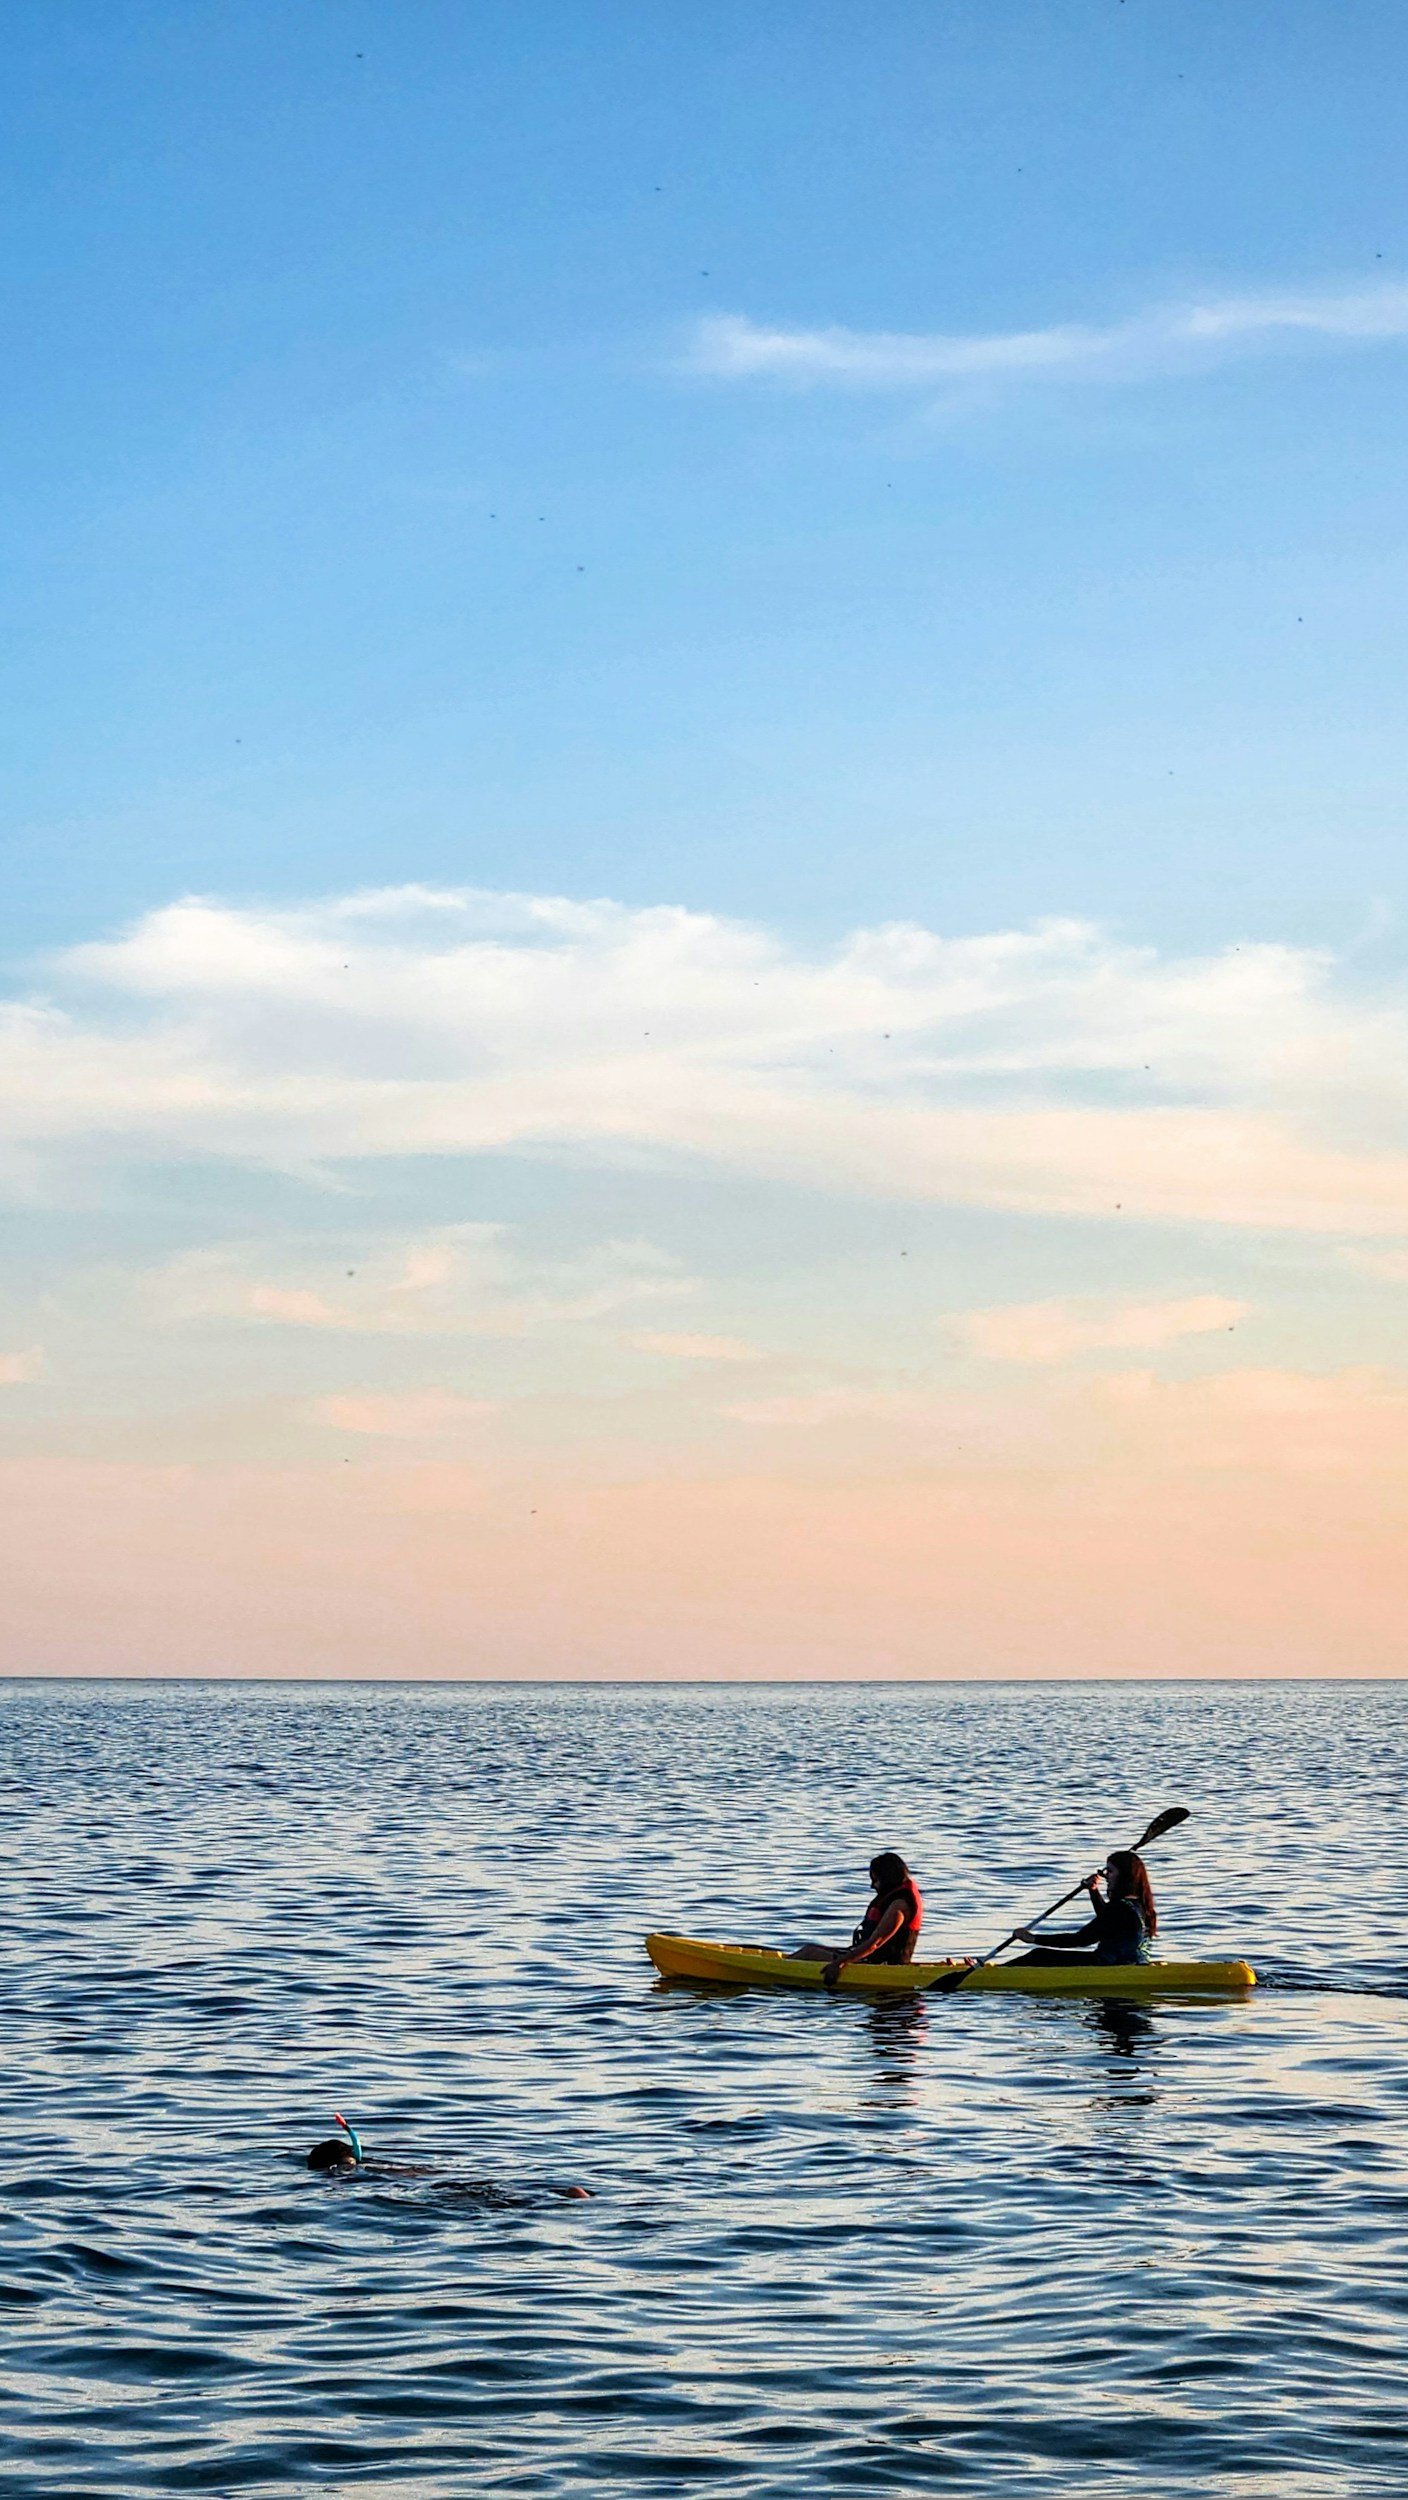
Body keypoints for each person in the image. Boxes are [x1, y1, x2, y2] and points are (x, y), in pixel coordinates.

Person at [306, 2114, 591, 2197]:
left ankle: (563, 2196)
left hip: (424, 2188)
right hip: (433, 2177)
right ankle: (563, 2194)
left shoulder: (353, 2176)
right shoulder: (381, 2167)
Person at [792, 1852, 924, 1988]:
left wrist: (839, 1963)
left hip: (881, 1966)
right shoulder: (896, 1899)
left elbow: (876, 1943)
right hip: (870, 1959)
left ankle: (781, 1971)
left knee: (809, 1953)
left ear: (887, 1878)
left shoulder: (900, 1906)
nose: (872, 1886)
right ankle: (785, 1963)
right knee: (810, 1948)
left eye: (875, 1880)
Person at [1012, 1848, 1156, 1966]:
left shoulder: (1119, 1909)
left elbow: (1081, 1939)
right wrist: (1093, 1890)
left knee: (1039, 1955)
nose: (1106, 1876)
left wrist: (1033, 1938)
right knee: (1040, 1954)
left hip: (1110, 1965)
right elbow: (1108, 1921)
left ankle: (994, 1977)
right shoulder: (1140, 1905)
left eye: (1110, 1872)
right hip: (1137, 1963)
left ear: (1124, 1876)